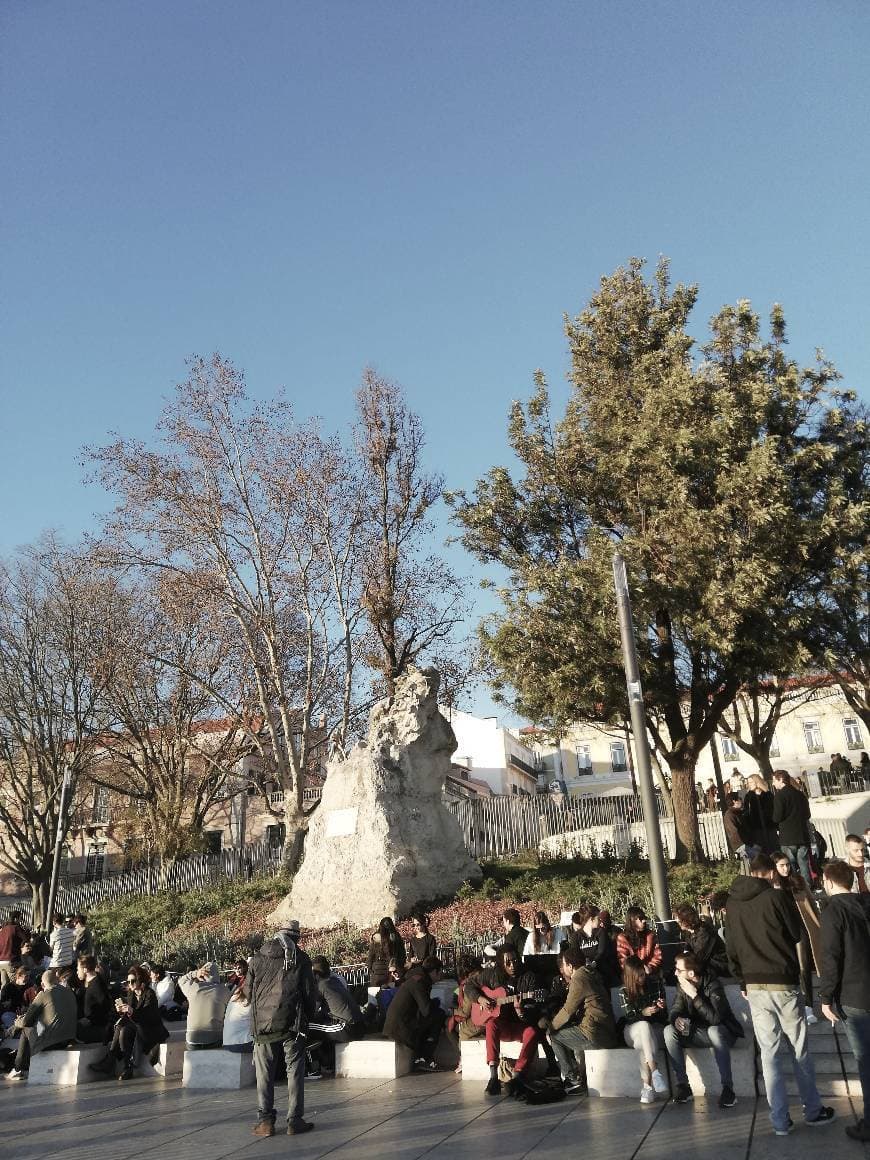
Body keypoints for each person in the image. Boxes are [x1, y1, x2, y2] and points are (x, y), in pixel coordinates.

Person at [725, 853, 834, 1135]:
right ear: (771, 872)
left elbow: (732, 949)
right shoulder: (776, 898)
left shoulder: (732, 904)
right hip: (782, 981)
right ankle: (812, 1109)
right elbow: (798, 934)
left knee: (769, 1055)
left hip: (754, 986)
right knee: (799, 1049)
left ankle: (779, 1120)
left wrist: (742, 981)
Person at [244, 920, 317, 1138]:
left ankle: (265, 1121)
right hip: (292, 1026)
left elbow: (247, 992)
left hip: (263, 1027)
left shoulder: (257, 959)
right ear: (296, 937)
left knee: (264, 1074)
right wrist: (310, 1016)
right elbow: (309, 994)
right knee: (294, 1071)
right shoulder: (301, 959)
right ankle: (295, 1120)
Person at [818, 860, 870, 1142]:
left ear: (828, 881)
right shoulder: (866, 903)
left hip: (855, 994)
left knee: (866, 1061)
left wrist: (826, 997)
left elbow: (831, 957)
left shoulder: (833, 911)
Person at [664, 952, 742, 1109]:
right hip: (698, 1033)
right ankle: (683, 1086)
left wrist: (694, 995)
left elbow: (716, 1019)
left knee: (714, 1031)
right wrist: (676, 1018)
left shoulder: (713, 985)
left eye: (679, 970)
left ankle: (728, 1089)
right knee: (668, 1031)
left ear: (691, 973)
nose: (675, 973)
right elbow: (675, 1009)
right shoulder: (682, 986)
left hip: (723, 1033)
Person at [464, 944, 541, 1096]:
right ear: (500, 963)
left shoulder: (529, 978)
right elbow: (469, 986)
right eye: (507, 963)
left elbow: (533, 1014)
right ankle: (493, 1076)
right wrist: (480, 999)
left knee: (532, 1032)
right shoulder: (492, 975)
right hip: (502, 1024)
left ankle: (518, 1075)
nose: (512, 965)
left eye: (515, 961)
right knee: (491, 1024)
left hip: (519, 1025)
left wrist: (520, 1010)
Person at [541, 945, 617, 1094]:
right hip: (607, 1032)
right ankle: (577, 1074)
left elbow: (568, 1010)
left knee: (554, 1036)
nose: (563, 968)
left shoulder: (579, 978)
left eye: (564, 965)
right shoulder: (591, 973)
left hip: (595, 1034)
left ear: (570, 966)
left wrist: (551, 1027)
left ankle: (573, 1080)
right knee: (566, 1030)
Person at [90, 964, 169, 1081]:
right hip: (137, 1027)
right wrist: (121, 1011)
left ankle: (112, 1061)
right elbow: (130, 1017)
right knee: (122, 1028)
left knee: (125, 1028)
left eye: (133, 981)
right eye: (128, 981)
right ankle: (126, 1067)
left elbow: (146, 1017)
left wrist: (131, 1011)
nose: (130, 984)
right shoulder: (131, 993)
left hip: (151, 1030)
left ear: (140, 980)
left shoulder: (149, 994)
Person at [772, 851, 822, 1023]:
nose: (786, 868)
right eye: (781, 865)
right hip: (782, 932)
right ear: (774, 867)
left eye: (787, 864)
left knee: (804, 967)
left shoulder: (798, 881)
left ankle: (808, 1006)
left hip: (800, 929)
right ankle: (792, 1007)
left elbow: (810, 903)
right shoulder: (771, 886)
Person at [4, 968, 78, 1081]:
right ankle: (11, 1033)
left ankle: (17, 1069)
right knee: (31, 1025)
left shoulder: (44, 994)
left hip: (53, 1041)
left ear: (43, 984)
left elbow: (25, 1022)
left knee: (25, 1028)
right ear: (57, 980)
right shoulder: (69, 991)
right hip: (69, 1038)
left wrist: (17, 1022)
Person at [619, 954, 669, 1103]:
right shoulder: (624, 991)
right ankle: (654, 1070)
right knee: (643, 1025)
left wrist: (661, 1008)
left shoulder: (655, 983)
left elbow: (663, 1016)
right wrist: (643, 1012)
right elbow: (629, 1017)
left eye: (643, 974)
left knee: (643, 1042)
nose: (642, 978)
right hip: (631, 1032)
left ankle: (647, 1088)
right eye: (638, 976)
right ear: (630, 977)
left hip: (649, 1033)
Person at [383, 956, 446, 1072]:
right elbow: (426, 1010)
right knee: (439, 1016)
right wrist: (437, 1003)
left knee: (435, 1014)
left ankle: (423, 1056)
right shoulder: (419, 982)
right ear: (434, 971)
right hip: (400, 1028)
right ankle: (424, 1058)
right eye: (440, 972)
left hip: (400, 1024)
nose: (441, 975)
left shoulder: (415, 978)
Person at [308, 956, 365, 1072]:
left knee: (305, 1026)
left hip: (347, 1028)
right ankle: (328, 1062)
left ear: (316, 974)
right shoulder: (335, 980)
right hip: (358, 1026)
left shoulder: (322, 985)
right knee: (318, 1024)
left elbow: (312, 1010)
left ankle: (312, 1068)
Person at [771, 769, 812, 884]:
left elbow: (777, 818)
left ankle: (794, 887)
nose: (773, 784)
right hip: (802, 835)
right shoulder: (800, 794)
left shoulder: (780, 796)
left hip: (788, 837)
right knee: (804, 864)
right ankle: (807, 887)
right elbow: (807, 815)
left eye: (774, 781)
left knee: (789, 865)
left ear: (781, 780)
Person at [178, 961, 230, 1048]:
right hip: (214, 1039)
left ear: (202, 975)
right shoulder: (224, 990)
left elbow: (181, 980)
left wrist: (195, 973)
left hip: (193, 1039)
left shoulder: (193, 988)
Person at [567, 904, 619, 985]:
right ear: (592, 919)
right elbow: (575, 955)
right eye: (598, 918)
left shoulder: (601, 932)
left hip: (601, 970)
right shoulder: (576, 936)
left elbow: (602, 952)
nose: (600, 921)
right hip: (584, 972)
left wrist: (594, 962)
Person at [673, 905, 729, 978]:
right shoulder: (689, 932)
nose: (677, 922)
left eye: (679, 920)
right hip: (705, 963)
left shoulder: (705, 932)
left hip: (717, 965)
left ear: (687, 919)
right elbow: (688, 949)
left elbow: (700, 956)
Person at [75, 954, 111, 1042]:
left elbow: (106, 1005)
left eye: (78, 969)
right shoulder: (88, 982)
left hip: (96, 1026)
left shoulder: (97, 984)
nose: (77, 972)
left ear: (85, 969)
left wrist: (91, 1020)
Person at [616, 907, 662, 975]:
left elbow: (657, 955)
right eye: (640, 919)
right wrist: (638, 971)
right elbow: (623, 960)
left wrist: (650, 967)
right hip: (632, 975)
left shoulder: (650, 935)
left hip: (650, 974)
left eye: (644, 918)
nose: (644, 921)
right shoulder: (623, 938)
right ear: (632, 920)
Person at [367, 917, 405, 987]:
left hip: (378, 971)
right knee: (392, 994)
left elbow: (371, 955)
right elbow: (402, 953)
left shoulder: (377, 937)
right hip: (393, 969)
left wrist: (370, 968)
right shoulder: (395, 936)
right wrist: (400, 967)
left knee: (378, 995)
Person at [743, 774, 775, 855]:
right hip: (757, 831)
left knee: (773, 852)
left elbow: (773, 810)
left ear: (757, 782)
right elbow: (746, 813)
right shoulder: (748, 796)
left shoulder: (767, 794)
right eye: (748, 782)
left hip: (769, 829)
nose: (749, 784)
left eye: (751, 782)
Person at [0, 911, 27, 987]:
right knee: (16, 984)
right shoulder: (15, 928)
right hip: (12, 960)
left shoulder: (3, 929)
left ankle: (2, 998)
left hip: (1, 962)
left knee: (4, 986)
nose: (21, 921)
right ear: (15, 919)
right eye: (20, 918)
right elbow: (25, 938)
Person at [722, 793, 749, 860]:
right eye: (740, 799)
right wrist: (744, 846)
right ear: (734, 801)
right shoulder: (730, 815)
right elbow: (734, 832)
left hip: (746, 844)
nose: (742, 801)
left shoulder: (738, 812)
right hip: (742, 846)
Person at [844, 834, 870, 898]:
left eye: (862, 850)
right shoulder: (841, 870)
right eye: (856, 850)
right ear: (847, 850)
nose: (861, 854)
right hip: (854, 906)